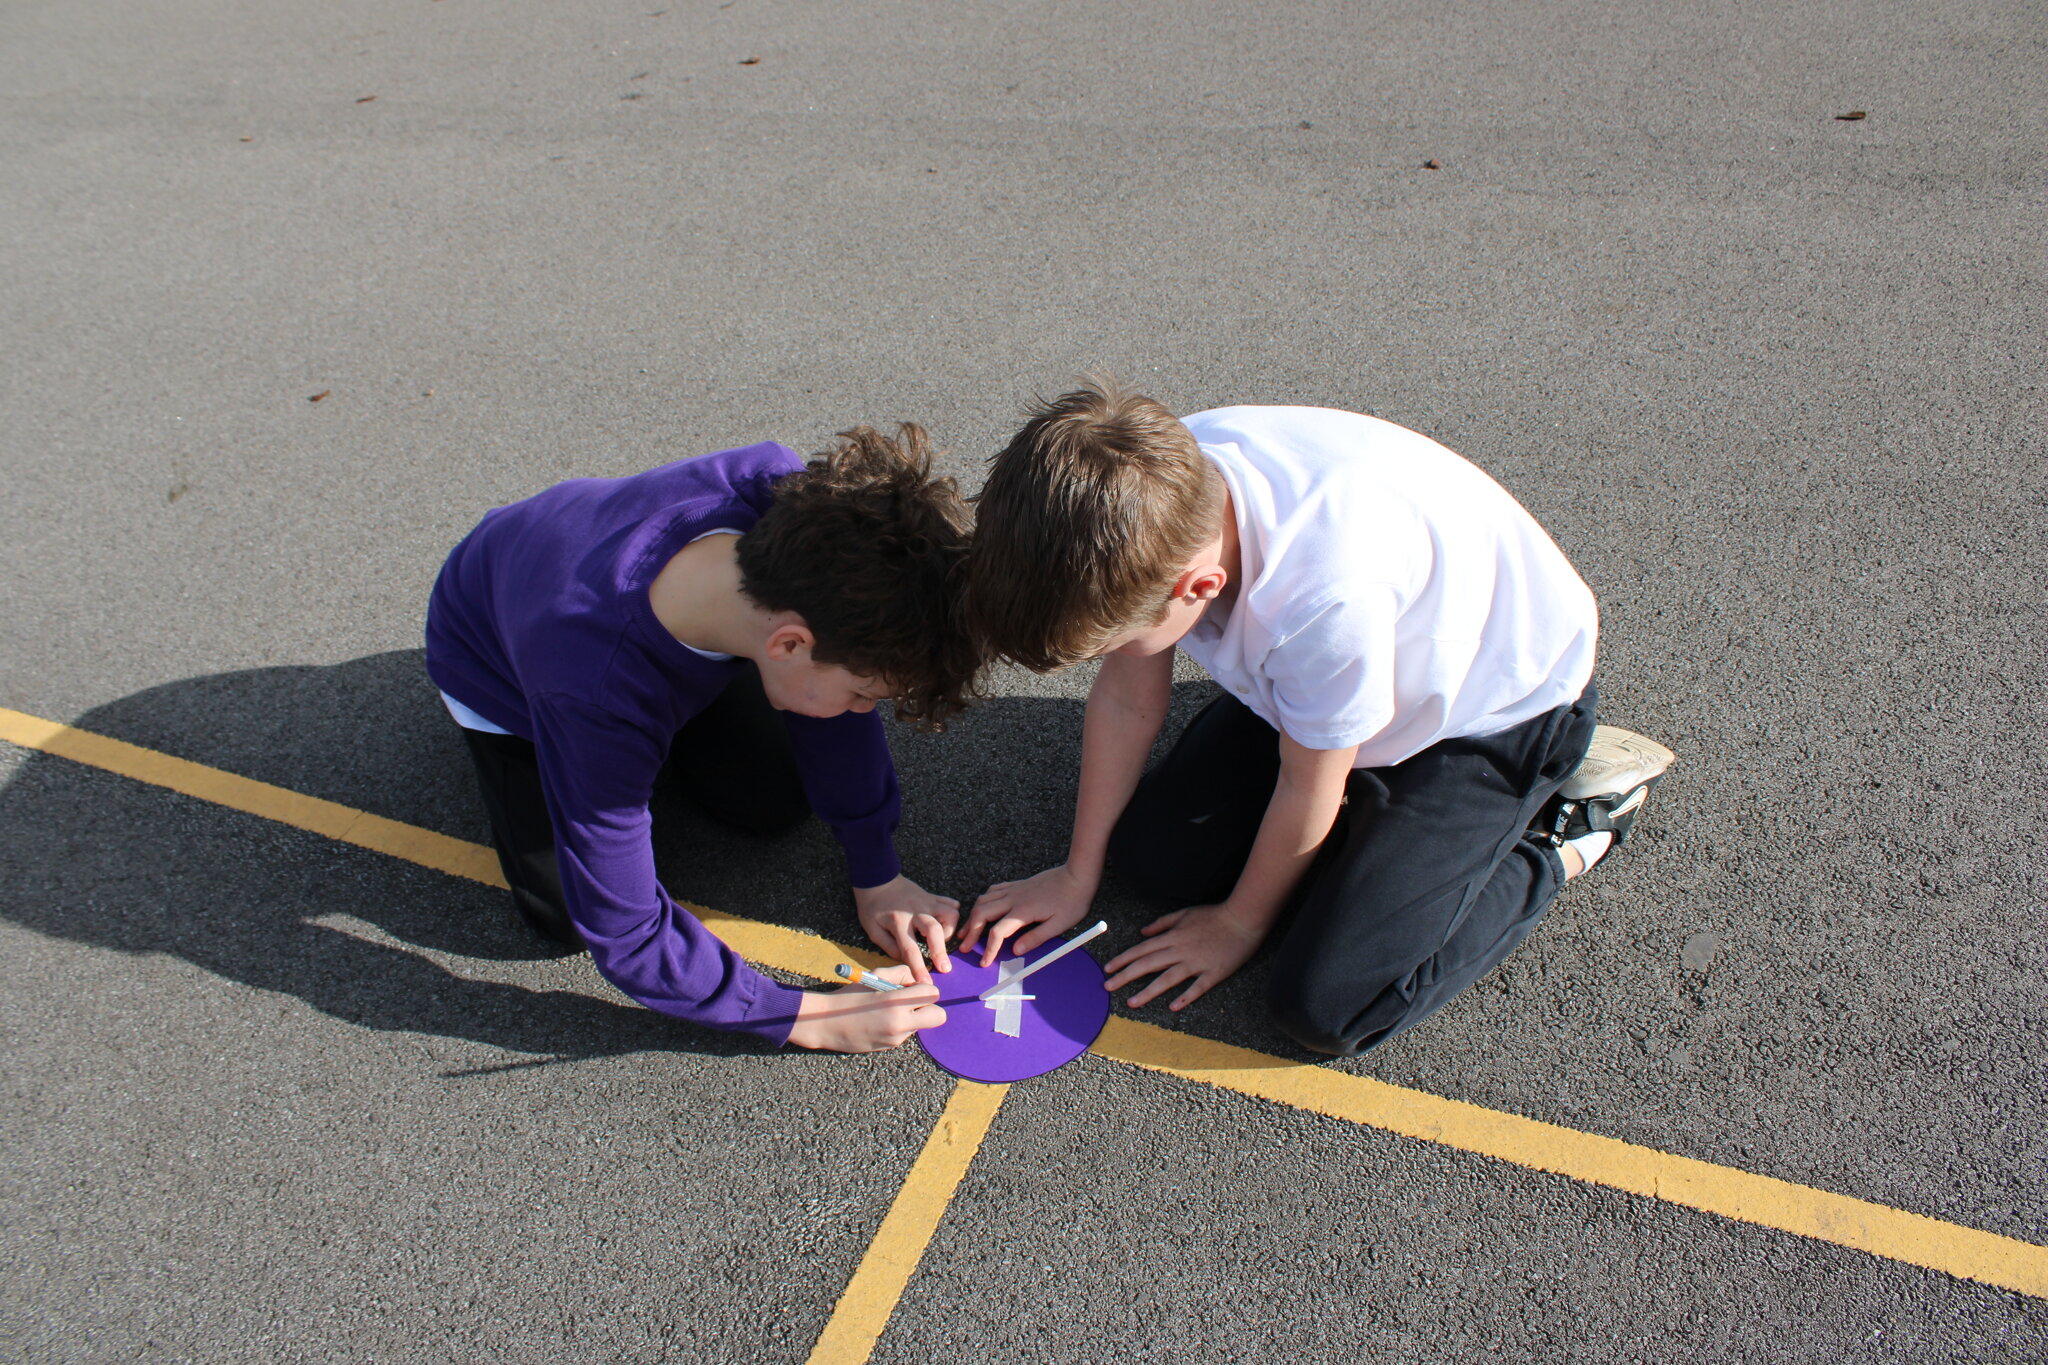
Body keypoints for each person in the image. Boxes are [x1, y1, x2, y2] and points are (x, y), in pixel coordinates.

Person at [958, 382, 1674, 1057]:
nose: (1116, 658)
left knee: (1327, 1004)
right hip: (1335, 680)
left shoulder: (1322, 605)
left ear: (1199, 587)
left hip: (1492, 712)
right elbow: (1125, 697)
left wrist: (1240, 923)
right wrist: (1077, 873)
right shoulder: (1154, 490)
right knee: (1152, 857)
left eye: (1115, 641)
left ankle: (1562, 833)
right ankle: (1360, 837)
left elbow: (1309, 788)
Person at [425, 425, 979, 1052]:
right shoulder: (591, 689)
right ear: (789, 645)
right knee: (564, 914)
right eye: (865, 694)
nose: (864, 708)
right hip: (500, 675)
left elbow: (836, 721)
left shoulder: (792, 497)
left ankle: (662, 742)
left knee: (772, 803)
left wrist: (877, 871)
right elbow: (628, 934)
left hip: (657, 619)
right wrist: (799, 1016)